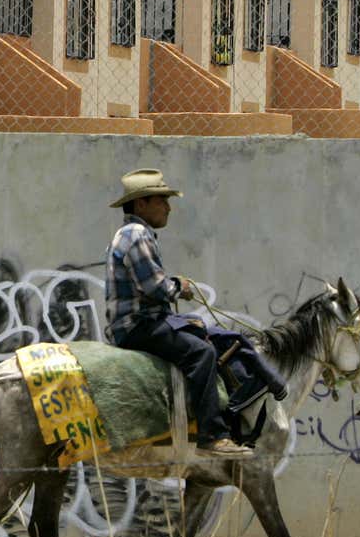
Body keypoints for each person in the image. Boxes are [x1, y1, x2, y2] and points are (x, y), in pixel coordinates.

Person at [104, 169, 254, 460]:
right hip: (137, 325)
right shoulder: (136, 235)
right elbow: (154, 286)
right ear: (141, 204)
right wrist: (179, 287)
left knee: (201, 331)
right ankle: (212, 435)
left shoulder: (135, 234)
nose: (168, 207)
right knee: (202, 354)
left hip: (143, 321)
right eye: (162, 200)